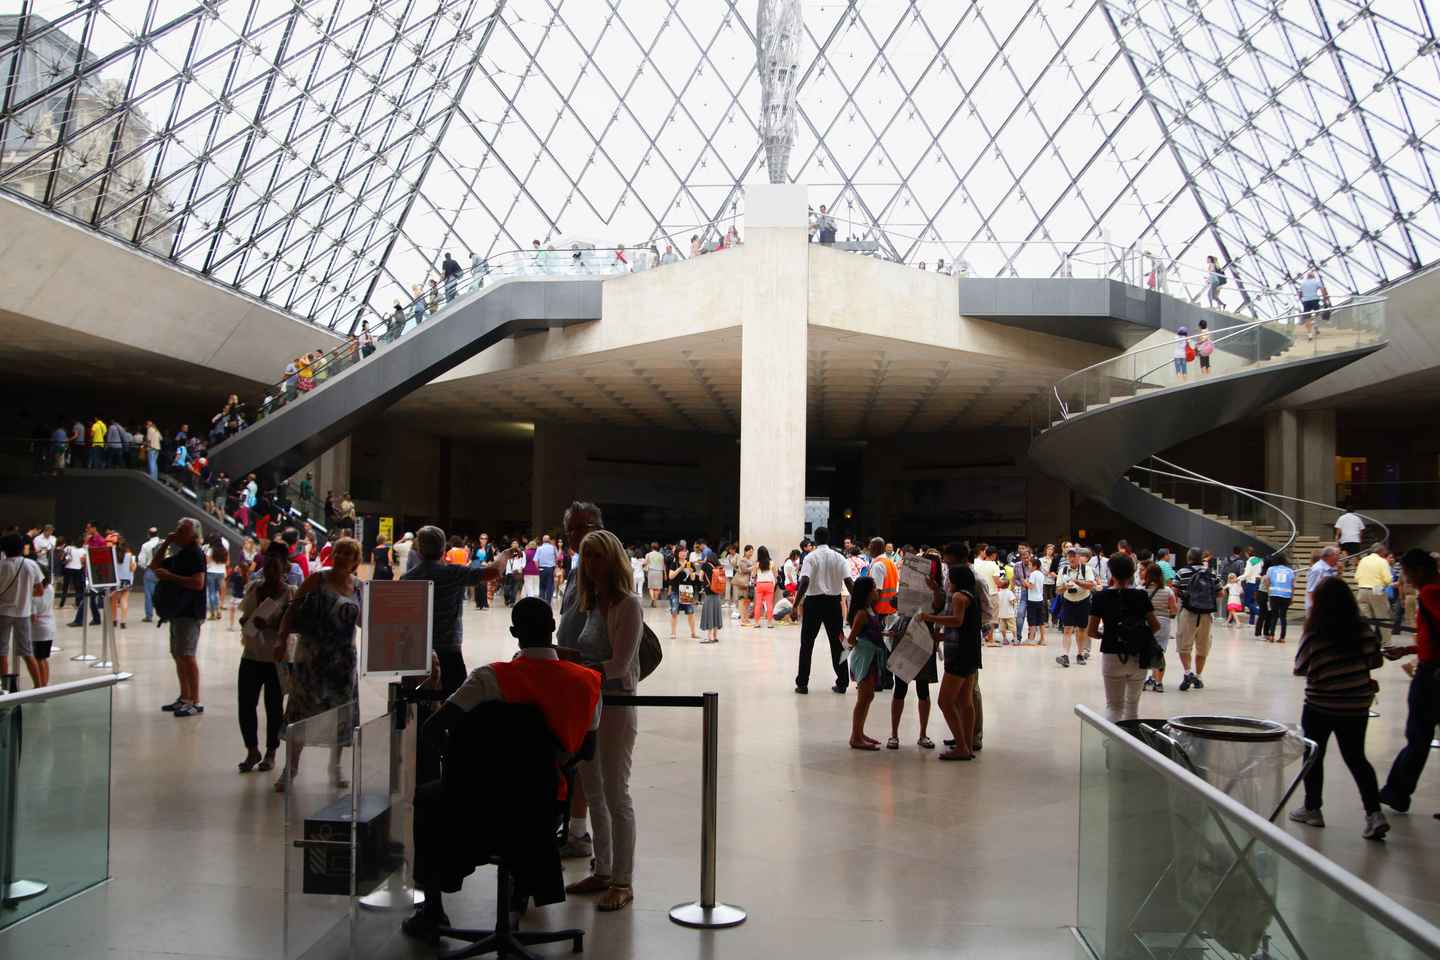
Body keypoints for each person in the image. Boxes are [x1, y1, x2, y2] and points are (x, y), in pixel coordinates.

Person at [404, 596, 604, 939]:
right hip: (543, 804)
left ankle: (433, 910)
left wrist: (465, 767)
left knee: (426, 799)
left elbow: (434, 730)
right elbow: (587, 749)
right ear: (554, 628)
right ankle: (519, 891)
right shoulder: (587, 682)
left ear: (514, 632)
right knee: (527, 816)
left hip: (476, 800)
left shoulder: (489, 678)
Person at [562, 530, 642, 912]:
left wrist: (575, 670)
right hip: (589, 706)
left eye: (597, 556)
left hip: (615, 707)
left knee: (616, 792)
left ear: (612, 559)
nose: (590, 564)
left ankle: (623, 881)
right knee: (593, 789)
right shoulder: (591, 603)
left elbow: (620, 666)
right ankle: (604, 869)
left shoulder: (628, 606)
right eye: (586, 557)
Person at [1287, 577, 1389, 839]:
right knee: (1356, 758)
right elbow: (1375, 660)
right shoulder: (1362, 628)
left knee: (1313, 755)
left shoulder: (1315, 632)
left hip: (1320, 704)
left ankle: (1313, 808)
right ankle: (1374, 813)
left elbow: (1300, 667)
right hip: (1355, 704)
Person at [275, 537, 362, 792]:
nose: (342, 556)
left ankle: (335, 768)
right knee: (300, 713)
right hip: (312, 658)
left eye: (348, 553)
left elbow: (362, 620)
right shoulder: (318, 579)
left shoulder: (357, 587)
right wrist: (282, 639)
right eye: (339, 551)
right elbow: (292, 609)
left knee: (341, 715)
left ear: (356, 561)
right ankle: (289, 770)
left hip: (343, 661)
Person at [401, 526, 510, 695]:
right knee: (454, 703)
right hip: (448, 650)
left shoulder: (407, 578)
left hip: (417, 651)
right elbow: (493, 571)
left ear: (419, 549)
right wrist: (505, 554)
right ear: (443, 548)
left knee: (416, 704)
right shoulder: (453, 573)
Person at [1377, 549, 1440, 815]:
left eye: (1406, 572)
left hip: (1432, 675)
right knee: (1418, 736)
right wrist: (1408, 651)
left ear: (1419, 570)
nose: (1405, 578)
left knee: (1418, 735)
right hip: (1430, 667)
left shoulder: (1431, 593)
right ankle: (1397, 792)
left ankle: (1397, 792)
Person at [918, 544, 979, 761]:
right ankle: (968, 744)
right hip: (970, 651)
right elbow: (964, 627)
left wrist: (930, 618)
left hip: (959, 655)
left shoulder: (958, 597)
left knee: (945, 701)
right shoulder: (971, 595)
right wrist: (941, 637)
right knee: (965, 702)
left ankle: (962, 745)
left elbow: (956, 621)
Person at [236, 542, 293, 775]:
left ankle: (271, 752)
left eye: (274, 569)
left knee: (274, 707)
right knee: (246, 704)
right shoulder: (254, 588)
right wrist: (247, 620)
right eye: (266, 568)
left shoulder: (290, 593)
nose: (269, 573)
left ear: (284, 570)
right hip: (251, 654)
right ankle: (252, 750)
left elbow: (294, 624)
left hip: (276, 658)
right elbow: (244, 615)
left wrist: (270, 623)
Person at [1086, 554, 1161, 723]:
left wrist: (1106, 634)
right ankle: (1131, 743)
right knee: (1132, 708)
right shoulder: (1141, 596)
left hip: (1112, 653)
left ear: (1111, 572)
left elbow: (1091, 631)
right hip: (1137, 656)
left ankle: (1111, 746)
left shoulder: (1100, 597)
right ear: (1132, 572)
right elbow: (1155, 625)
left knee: (1114, 706)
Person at [153, 519, 208, 718]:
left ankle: (195, 701)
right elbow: (154, 565)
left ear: (192, 535)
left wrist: (171, 577)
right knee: (178, 655)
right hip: (177, 612)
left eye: (182, 530)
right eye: (177, 529)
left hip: (190, 613)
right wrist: (167, 543)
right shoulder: (181, 554)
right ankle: (184, 698)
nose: (177, 533)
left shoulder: (195, 554)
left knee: (187, 655)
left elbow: (198, 583)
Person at [793, 528, 854, 695]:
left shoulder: (810, 557)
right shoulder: (839, 557)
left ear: (815, 540)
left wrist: (795, 604)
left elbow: (804, 581)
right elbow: (849, 582)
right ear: (829, 538)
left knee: (807, 644)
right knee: (839, 643)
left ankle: (802, 684)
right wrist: (857, 604)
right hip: (833, 604)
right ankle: (842, 682)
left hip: (813, 604)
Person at [840, 576, 888, 750]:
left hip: (871, 656)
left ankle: (860, 732)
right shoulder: (862, 614)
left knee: (868, 696)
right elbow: (851, 640)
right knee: (863, 698)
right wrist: (842, 649)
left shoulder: (870, 610)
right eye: (874, 588)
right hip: (864, 658)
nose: (877, 591)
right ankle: (855, 736)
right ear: (867, 593)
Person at [0, 533, 44, 688]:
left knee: (2, 653)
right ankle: (38, 688)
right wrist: (25, 594)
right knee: (27, 652)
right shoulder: (31, 564)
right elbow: (40, 590)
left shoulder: (1, 565)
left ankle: (4, 688)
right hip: (23, 613)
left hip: (3, 613)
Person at [1174, 548, 1221, 690]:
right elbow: (1221, 593)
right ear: (1202, 558)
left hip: (1188, 613)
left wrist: (1186, 595)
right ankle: (1199, 676)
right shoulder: (1211, 573)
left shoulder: (1182, 572)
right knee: (1202, 647)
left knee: (1184, 645)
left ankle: (1188, 672)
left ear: (1188, 558)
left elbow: (1175, 590)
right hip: (1206, 614)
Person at [1054, 548, 1095, 667]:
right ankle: (1065, 655)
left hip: (1083, 601)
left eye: (1074, 556)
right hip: (1068, 601)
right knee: (1067, 628)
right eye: (1069, 556)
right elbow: (1057, 590)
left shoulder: (1086, 569)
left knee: (1081, 629)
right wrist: (1065, 587)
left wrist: (1076, 582)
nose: (1071, 559)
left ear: (1079, 557)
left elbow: (1091, 585)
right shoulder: (1063, 570)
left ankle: (1080, 654)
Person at [1142, 560, 1178, 692]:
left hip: (1146, 624)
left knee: (1145, 652)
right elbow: (1174, 609)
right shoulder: (1168, 591)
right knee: (1159, 653)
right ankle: (1158, 682)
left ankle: (1145, 681)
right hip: (1163, 624)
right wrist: (1169, 614)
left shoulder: (1142, 591)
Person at [1355, 543, 1393, 646]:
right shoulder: (1382, 561)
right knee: (1382, 616)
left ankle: (1368, 642)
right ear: (1381, 551)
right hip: (1377, 588)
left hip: (1362, 589)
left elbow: (1356, 577)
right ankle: (1387, 643)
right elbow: (1388, 579)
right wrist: (1385, 585)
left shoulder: (1363, 560)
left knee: (1367, 619)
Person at [666, 547, 703, 640]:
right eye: (681, 552)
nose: (683, 553)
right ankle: (673, 633)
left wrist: (691, 572)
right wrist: (680, 568)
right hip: (676, 590)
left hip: (686, 590)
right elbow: (671, 576)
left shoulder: (690, 564)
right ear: (677, 553)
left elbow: (693, 578)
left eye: (685, 552)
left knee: (690, 612)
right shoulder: (674, 563)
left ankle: (693, 633)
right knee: (674, 612)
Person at [1262, 554, 1296, 642]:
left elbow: (1266, 579)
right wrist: (1292, 597)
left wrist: (1268, 590)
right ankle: (1282, 637)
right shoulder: (1290, 571)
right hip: (1286, 595)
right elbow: (1293, 585)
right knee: (1283, 617)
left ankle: (1272, 635)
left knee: (1274, 615)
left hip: (1274, 594)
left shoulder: (1271, 569)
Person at [29, 571, 55, 687]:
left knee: (38, 658)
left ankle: (40, 686)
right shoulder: (50, 588)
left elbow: (33, 617)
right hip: (49, 625)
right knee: (43, 658)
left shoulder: (33, 595)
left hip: (38, 629)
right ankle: (44, 684)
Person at [698, 551, 724, 644]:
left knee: (709, 615)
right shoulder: (718, 566)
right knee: (716, 615)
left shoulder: (705, 565)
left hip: (709, 595)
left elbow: (700, 577)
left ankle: (710, 637)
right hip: (717, 595)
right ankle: (715, 636)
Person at [1307, 546, 1341, 612]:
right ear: (1328, 557)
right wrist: (1315, 608)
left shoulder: (1331, 569)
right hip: (1319, 608)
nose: (1339, 557)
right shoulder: (1318, 569)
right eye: (1336, 555)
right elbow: (1311, 590)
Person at [111, 537, 135, 628]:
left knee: (113, 601)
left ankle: (114, 620)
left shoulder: (112, 554)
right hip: (126, 580)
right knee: (124, 600)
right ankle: (123, 622)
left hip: (115, 580)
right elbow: (132, 568)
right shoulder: (129, 555)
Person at [1299, 267, 1328, 341]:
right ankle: (1315, 324)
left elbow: (1300, 294)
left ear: (1307, 277)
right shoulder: (1316, 282)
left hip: (1306, 301)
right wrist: (1325, 299)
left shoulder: (1302, 284)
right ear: (1314, 277)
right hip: (1315, 300)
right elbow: (1323, 290)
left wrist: (1302, 300)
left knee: (1307, 318)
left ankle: (1309, 335)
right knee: (1317, 313)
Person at [752, 546, 777, 628]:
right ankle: (769, 623)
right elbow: (776, 574)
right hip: (769, 584)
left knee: (758, 604)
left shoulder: (757, 563)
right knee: (769, 604)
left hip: (759, 584)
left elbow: (753, 575)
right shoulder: (771, 563)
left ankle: (756, 623)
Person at [203, 539, 228, 620]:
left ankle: (213, 613)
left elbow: (206, 561)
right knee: (216, 593)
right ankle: (218, 611)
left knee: (211, 593)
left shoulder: (211, 550)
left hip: (211, 572)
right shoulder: (224, 550)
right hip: (221, 573)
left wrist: (212, 559)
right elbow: (227, 562)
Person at [534, 534, 558, 604]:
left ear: (543, 540)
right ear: (549, 540)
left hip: (542, 568)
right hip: (550, 569)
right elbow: (557, 558)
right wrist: (555, 568)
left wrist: (538, 568)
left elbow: (535, 560)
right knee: (550, 586)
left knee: (541, 586)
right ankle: (548, 602)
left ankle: (541, 602)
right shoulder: (553, 548)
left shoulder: (539, 548)